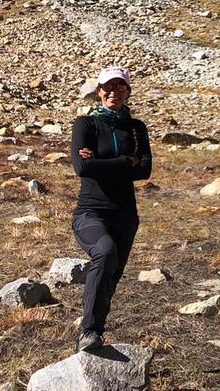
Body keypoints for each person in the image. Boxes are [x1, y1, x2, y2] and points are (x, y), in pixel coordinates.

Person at [70, 66, 152, 353]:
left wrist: (104, 163)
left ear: (128, 92)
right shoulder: (86, 125)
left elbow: (145, 170)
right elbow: (83, 167)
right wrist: (124, 161)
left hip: (125, 216)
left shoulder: (136, 128)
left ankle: (95, 332)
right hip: (90, 213)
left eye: (120, 87)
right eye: (107, 86)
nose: (112, 92)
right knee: (104, 252)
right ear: (98, 90)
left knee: (110, 277)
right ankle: (88, 332)